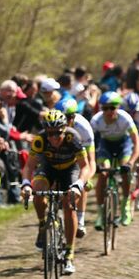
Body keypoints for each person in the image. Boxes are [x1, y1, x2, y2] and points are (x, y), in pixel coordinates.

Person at [20, 110, 88, 275]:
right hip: (48, 168)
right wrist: (26, 184)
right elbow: (29, 166)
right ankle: (43, 224)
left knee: (69, 205)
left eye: (58, 133)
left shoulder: (74, 138)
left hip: (69, 170)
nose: (54, 137)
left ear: (65, 129)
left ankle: (69, 253)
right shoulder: (40, 140)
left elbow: (85, 166)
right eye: (50, 133)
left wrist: (78, 184)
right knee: (37, 190)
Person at [90, 92, 139, 228]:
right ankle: (100, 213)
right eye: (105, 108)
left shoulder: (125, 119)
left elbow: (137, 143)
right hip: (105, 145)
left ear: (118, 107)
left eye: (112, 108)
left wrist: (131, 162)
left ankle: (125, 205)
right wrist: (93, 163)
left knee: (125, 171)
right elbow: (89, 144)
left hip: (123, 145)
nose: (108, 111)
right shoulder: (96, 121)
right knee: (103, 174)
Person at [59, 99, 95, 238]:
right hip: (61, 156)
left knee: (81, 181)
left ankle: (80, 220)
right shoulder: (55, 126)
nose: (65, 121)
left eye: (68, 118)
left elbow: (90, 160)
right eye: (62, 117)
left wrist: (88, 178)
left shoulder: (83, 127)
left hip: (80, 155)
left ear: (73, 117)